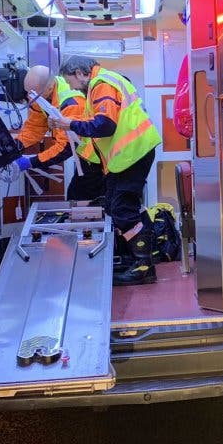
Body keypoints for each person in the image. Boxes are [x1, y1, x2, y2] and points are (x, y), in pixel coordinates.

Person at [49, 56, 162, 286]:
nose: (70, 87)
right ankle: (142, 258)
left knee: (121, 208)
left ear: (80, 73)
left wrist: (68, 124)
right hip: (128, 155)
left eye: (70, 81)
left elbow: (105, 125)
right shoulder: (101, 84)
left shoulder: (101, 84)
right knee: (114, 205)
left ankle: (143, 267)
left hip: (132, 152)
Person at [15, 63, 105, 203]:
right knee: (79, 199)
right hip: (86, 157)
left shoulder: (72, 102)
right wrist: (16, 146)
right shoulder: (41, 94)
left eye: (33, 94)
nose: (30, 98)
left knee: (79, 200)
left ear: (50, 88)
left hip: (97, 157)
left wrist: (30, 162)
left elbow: (65, 148)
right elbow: (35, 127)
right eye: (28, 93)